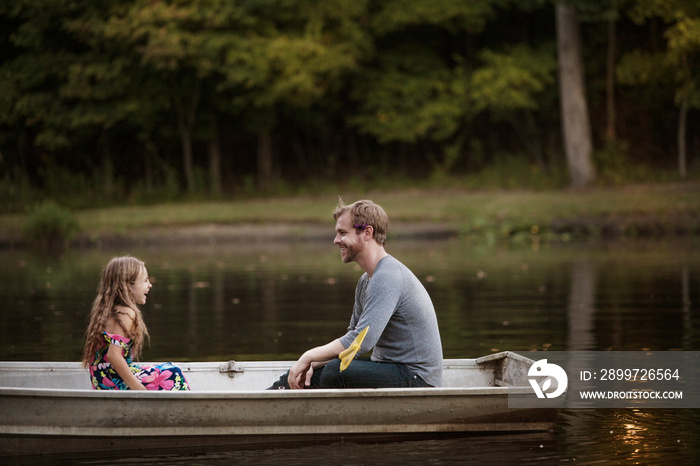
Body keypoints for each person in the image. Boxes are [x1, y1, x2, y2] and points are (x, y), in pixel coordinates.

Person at [269, 199, 443, 389]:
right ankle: (265, 403)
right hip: (390, 368)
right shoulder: (366, 280)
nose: (336, 240)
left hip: (417, 378)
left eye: (343, 233)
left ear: (367, 232)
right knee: (308, 371)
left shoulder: (388, 276)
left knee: (335, 371)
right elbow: (353, 336)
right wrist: (312, 363)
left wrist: (309, 355)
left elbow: (361, 342)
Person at [82, 256, 190, 391]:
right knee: (174, 372)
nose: (150, 285)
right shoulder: (127, 313)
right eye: (145, 281)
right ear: (128, 285)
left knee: (166, 368)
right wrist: (139, 389)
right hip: (114, 380)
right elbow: (113, 355)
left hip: (101, 380)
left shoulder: (107, 311)